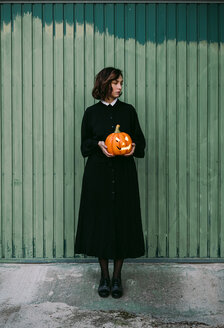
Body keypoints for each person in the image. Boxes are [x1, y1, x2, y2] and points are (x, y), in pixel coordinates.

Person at [74, 67, 146, 299]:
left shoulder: (128, 111)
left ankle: (117, 278)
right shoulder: (91, 113)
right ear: (104, 84)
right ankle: (104, 277)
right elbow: (84, 145)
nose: (120, 87)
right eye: (116, 83)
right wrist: (98, 144)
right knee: (101, 225)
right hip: (98, 178)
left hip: (124, 177)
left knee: (122, 225)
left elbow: (140, 142)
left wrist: (133, 147)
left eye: (121, 83)